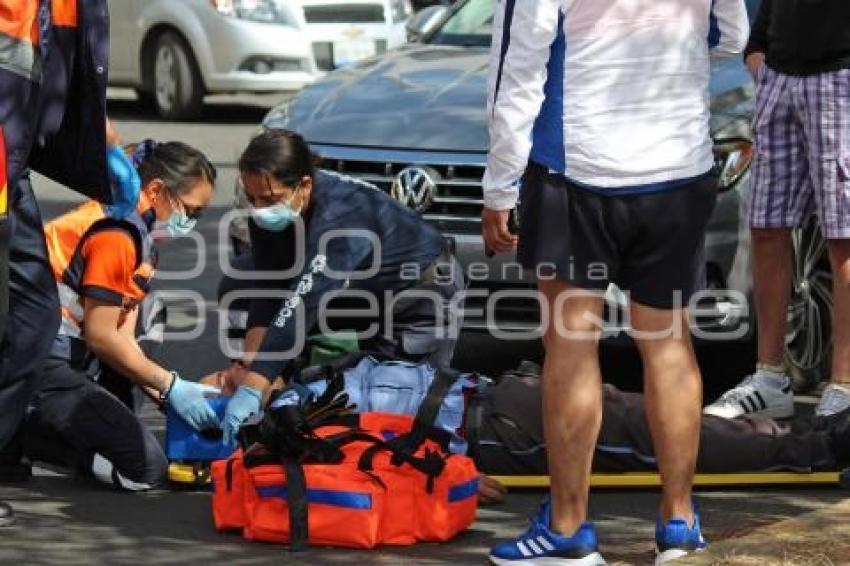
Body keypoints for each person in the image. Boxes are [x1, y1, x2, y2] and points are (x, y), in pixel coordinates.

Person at [480, 0, 749, 563]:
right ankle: (679, 524)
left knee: (572, 347)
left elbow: (518, 69)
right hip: (678, 168)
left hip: (576, 169)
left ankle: (569, 527)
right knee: (670, 348)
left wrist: (500, 187)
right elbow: (732, 35)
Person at [203, 359, 850, 505]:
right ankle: (821, 444)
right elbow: (375, 465)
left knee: (656, 416)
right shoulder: (299, 430)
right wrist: (457, 481)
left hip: (509, 394)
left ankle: (799, 435)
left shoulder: (313, 374)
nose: (231, 369)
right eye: (222, 379)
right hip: (507, 432)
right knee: (661, 437)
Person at [217, 129, 465, 445]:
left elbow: (302, 303)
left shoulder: (340, 216)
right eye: (252, 199)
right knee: (366, 403)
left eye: (270, 199)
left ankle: (456, 474)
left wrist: (254, 386)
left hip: (423, 295)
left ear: (304, 185)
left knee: (405, 402)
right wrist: (251, 365)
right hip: (372, 291)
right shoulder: (269, 210)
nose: (260, 208)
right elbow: (269, 290)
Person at [0, 0, 140, 524]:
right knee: (21, 317)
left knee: (31, 317)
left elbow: (58, 62)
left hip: (9, 167)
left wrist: (98, 133)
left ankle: (8, 445)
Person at [20, 141, 219, 491]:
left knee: (152, 313)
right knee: (145, 470)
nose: (192, 222)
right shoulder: (117, 233)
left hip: (62, 349)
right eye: (191, 210)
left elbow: (124, 333)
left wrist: (165, 393)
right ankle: (20, 435)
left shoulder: (141, 232)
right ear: (156, 191)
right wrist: (170, 384)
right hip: (39, 355)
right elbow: (102, 335)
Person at [704, 0, 850, 421]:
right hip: (780, 76)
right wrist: (759, 52)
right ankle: (769, 379)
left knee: (843, 238)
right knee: (767, 226)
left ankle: (842, 386)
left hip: (839, 76)